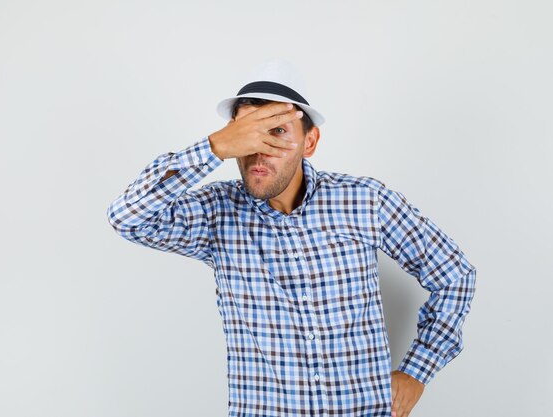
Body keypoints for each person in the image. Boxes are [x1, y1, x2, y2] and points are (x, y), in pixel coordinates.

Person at [106, 58, 476, 417]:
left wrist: (417, 371)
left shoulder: (365, 200)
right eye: (246, 134)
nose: (258, 149)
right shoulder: (216, 213)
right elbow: (127, 218)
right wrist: (213, 147)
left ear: (309, 142)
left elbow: (454, 275)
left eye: (277, 132)